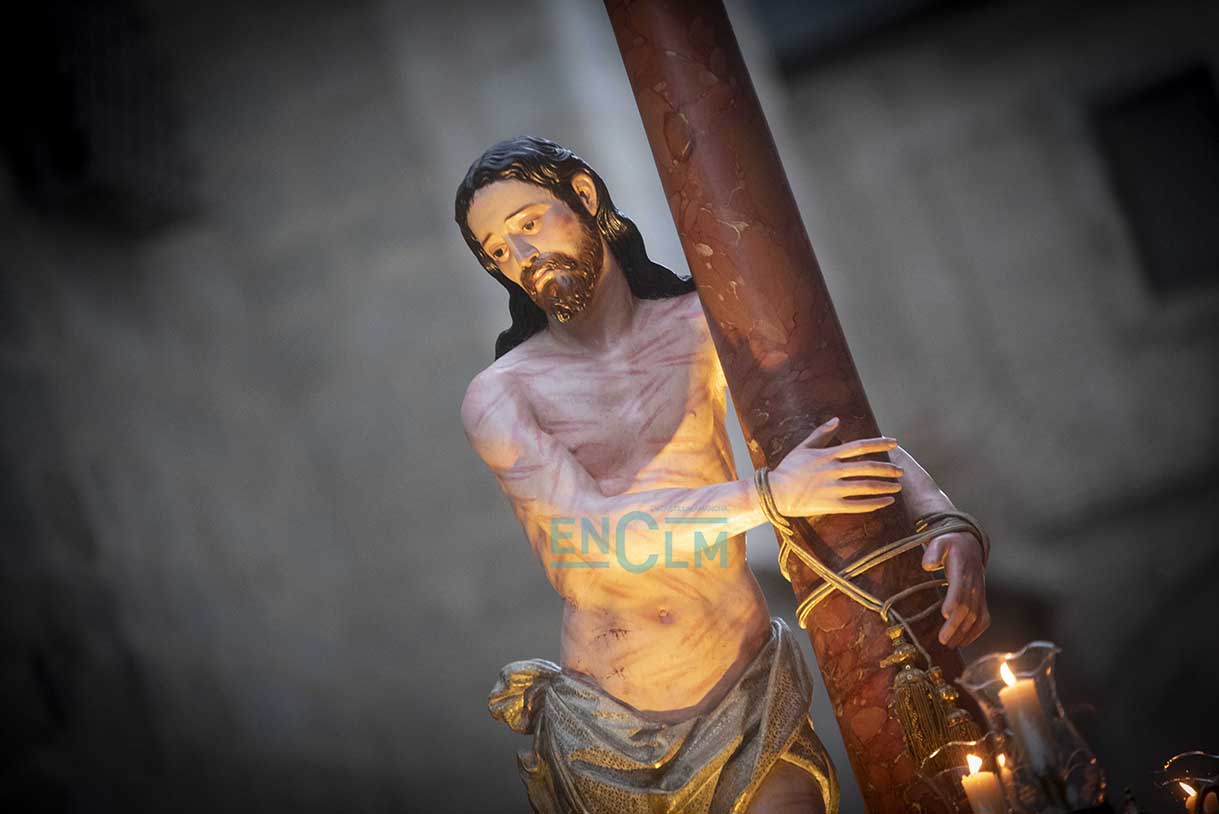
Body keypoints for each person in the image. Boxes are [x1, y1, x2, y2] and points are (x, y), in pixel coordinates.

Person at [456, 136, 990, 814]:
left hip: (747, 697)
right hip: (609, 728)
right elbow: (589, 545)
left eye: (529, 223)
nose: (522, 256)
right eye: (499, 251)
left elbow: (829, 437)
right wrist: (770, 495)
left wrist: (939, 514)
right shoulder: (503, 395)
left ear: (583, 197)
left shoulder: (705, 326)